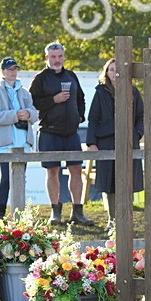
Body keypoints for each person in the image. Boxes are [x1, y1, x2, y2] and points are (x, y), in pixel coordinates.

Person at [29, 41, 90, 225]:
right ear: (47, 58)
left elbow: (81, 98)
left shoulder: (71, 76)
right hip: (49, 132)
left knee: (76, 170)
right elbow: (33, 103)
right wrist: (53, 100)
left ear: (63, 56)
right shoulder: (40, 78)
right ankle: (55, 212)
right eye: (53, 57)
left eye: (60, 56)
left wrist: (80, 117)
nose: (57, 60)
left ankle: (77, 212)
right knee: (52, 171)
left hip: (71, 133)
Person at [84, 59, 145, 221]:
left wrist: (136, 133)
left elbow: (141, 116)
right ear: (106, 72)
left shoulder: (133, 91)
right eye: (111, 70)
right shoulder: (101, 92)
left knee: (128, 179)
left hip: (129, 141)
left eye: (117, 69)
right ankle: (112, 220)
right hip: (106, 141)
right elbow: (93, 119)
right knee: (109, 182)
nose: (114, 73)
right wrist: (92, 143)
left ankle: (126, 219)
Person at [0, 57, 38, 219]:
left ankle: (19, 214)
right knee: (6, 178)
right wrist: (16, 115)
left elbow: (34, 112)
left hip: (23, 142)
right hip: (5, 143)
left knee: (20, 179)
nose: (12, 72)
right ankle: (0, 213)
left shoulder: (24, 92)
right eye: (9, 69)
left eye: (15, 69)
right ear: (3, 71)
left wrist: (27, 114)